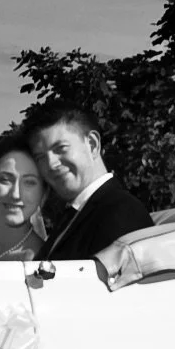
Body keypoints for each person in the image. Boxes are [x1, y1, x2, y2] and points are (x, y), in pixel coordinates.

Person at [27, 107, 152, 259]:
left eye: (61, 148)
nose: (51, 164)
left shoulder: (122, 213)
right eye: (40, 157)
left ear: (92, 144)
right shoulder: (75, 215)